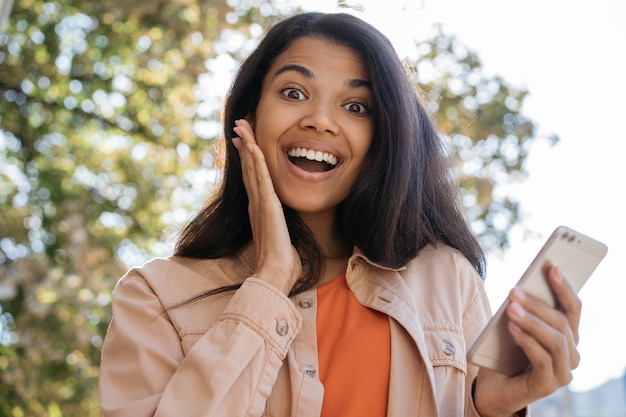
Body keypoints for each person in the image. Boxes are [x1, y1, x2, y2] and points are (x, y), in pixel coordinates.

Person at [98, 11, 581, 417]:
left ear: (383, 139)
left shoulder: (446, 279)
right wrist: (268, 284)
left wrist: (488, 406)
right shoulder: (156, 298)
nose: (320, 120)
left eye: (355, 106)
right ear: (248, 117)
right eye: (293, 93)